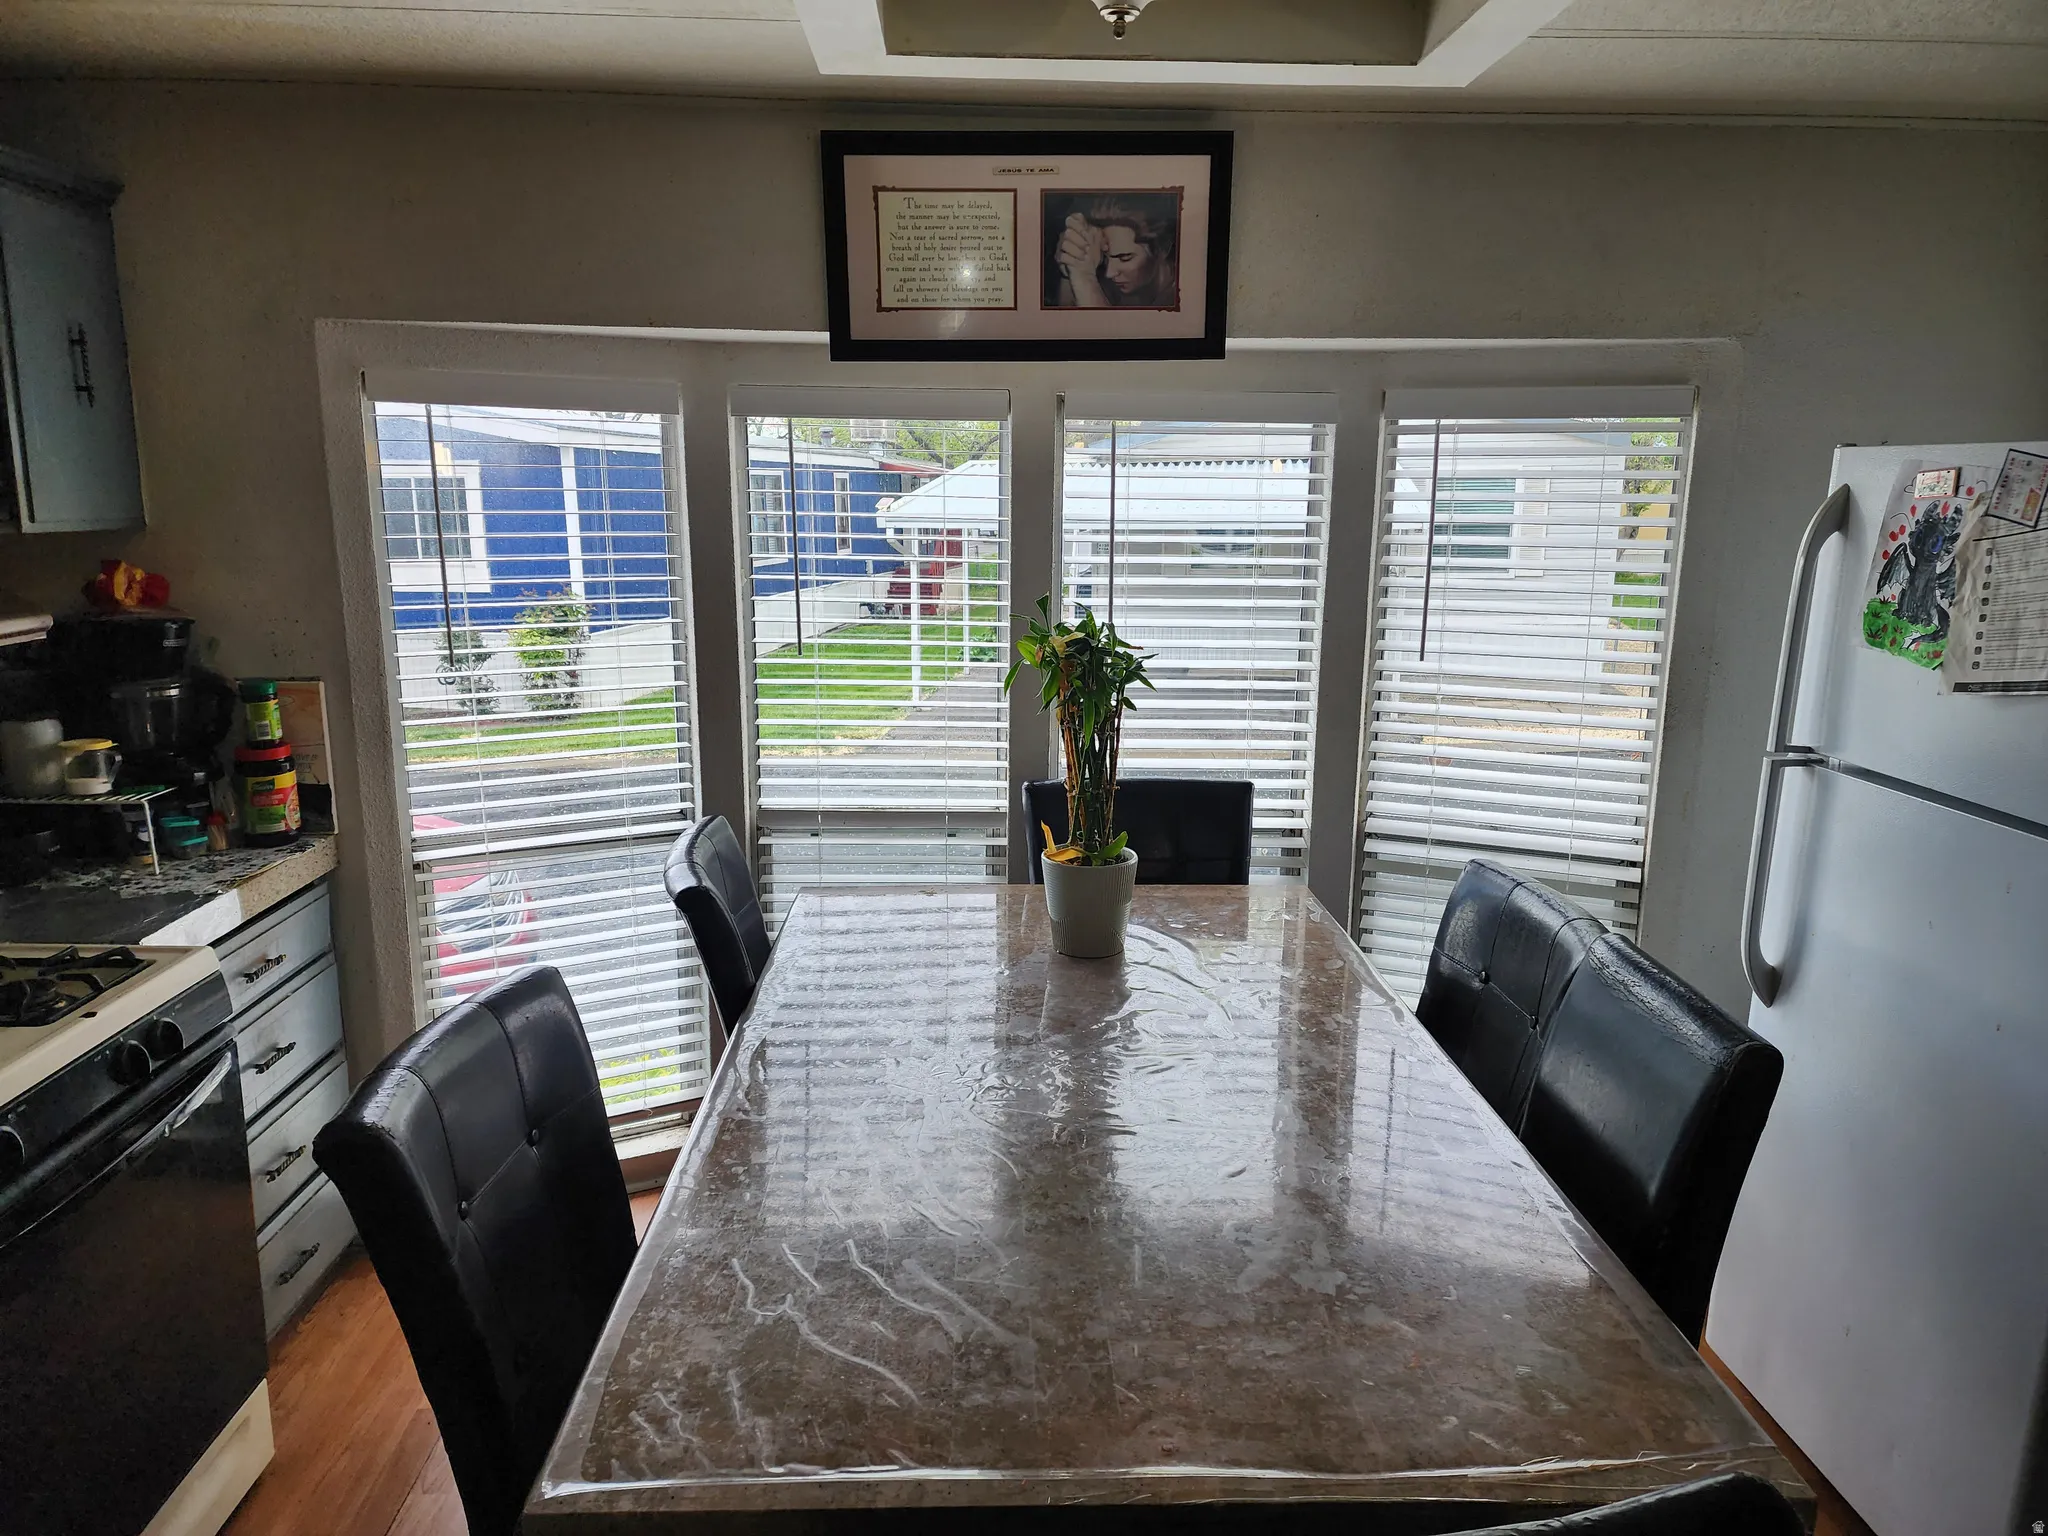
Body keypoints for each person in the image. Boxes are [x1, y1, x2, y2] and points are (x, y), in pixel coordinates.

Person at [1049, 195, 1179, 309]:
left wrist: (1086, 278)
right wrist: (1070, 269)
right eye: (1104, 258)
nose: (1109, 273)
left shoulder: (1182, 298)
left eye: (1125, 258)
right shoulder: (1110, 286)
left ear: (1162, 249)